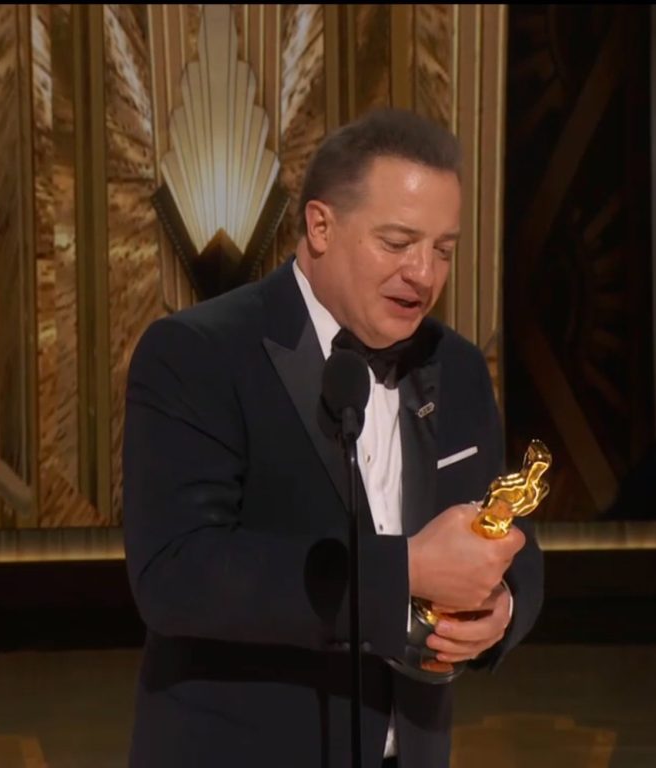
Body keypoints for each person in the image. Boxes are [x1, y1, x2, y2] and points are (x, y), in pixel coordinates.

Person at [123, 107, 543, 768]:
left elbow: (510, 538)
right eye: (398, 242)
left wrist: (503, 608)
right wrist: (403, 571)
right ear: (320, 226)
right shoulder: (197, 354)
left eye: (443, 249)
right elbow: (177, 574)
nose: (424, 274)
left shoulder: (457, 366)